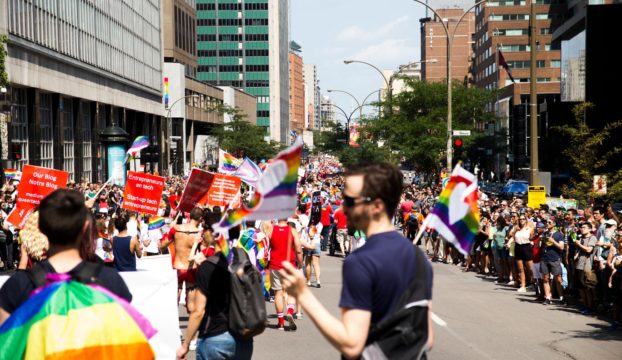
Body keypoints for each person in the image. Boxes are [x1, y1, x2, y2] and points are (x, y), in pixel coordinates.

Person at [279, 163, 434, 359]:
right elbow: (427, 337)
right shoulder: (419, 257)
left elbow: (352, 344)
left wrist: (302, 294)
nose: (344, 207)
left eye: (350, 201)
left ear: (376, 206)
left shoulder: (361, 261)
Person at [0, 189, 132, 326]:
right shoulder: (110, 281)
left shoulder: (18, 286)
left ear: (41, 229)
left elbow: (6, 342)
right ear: (86, 227)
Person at [176, 239, 253, 360]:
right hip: (243, 336)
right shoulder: (243, 257)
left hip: (216, 334)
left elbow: (198, 312)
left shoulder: (208, 262)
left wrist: (185, 345)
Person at [268, 218, 303, 331]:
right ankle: (290, 311)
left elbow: (266, 247)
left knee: (278, 293)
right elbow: (298, 249)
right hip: (289, 265)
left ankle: (281, 323)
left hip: (275, 265)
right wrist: (300, 263)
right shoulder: (292, 231)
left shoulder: (271, 230)